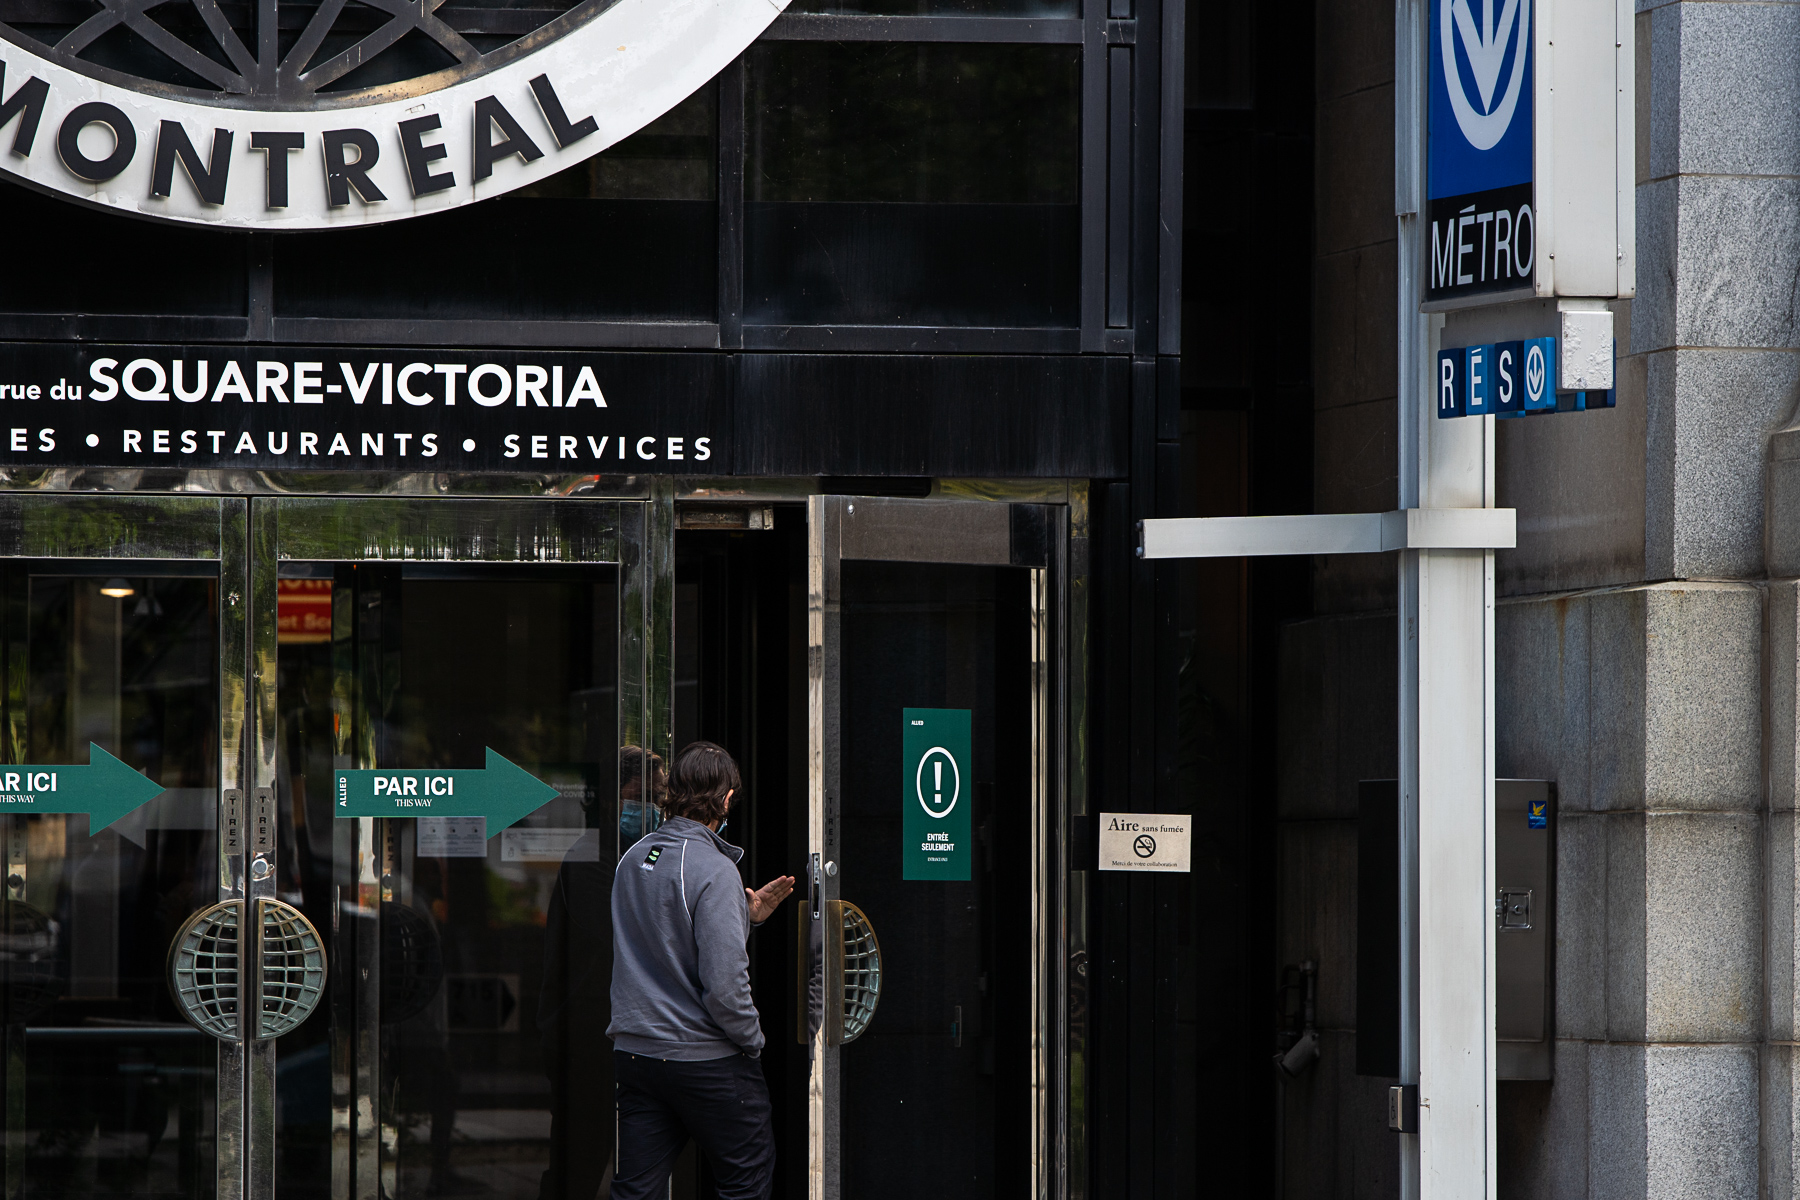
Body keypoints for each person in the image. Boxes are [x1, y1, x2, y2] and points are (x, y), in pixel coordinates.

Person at [607, 741, 795, 1200]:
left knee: (636, 1191)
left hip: (637, 1057)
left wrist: (742, 916)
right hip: (704, 1061)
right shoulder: (715, 868)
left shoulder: (633, 859)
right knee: (745, 1183)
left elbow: (661, 935)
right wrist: (752, 1042)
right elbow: (726, 986)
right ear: (727, 800)